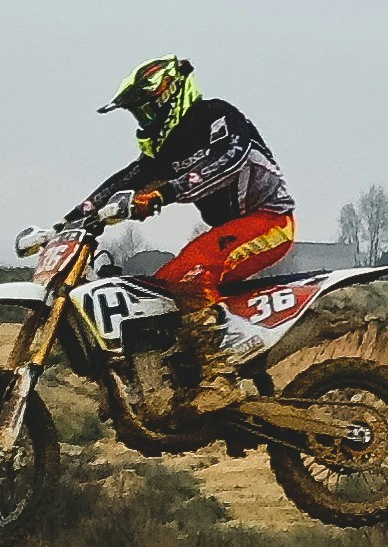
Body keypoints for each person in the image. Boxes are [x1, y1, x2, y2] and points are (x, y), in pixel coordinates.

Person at [71, 55, 293, 410]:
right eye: (137, 115)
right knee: (160, 290)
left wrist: (164, 193)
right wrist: (72, 219)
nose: (144, 120)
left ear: (171, 95)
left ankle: (219, 379)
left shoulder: (218, 116)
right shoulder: (168, 148)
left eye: (146, 110)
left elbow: (227, 161)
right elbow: (126, 179)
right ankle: (170, 386)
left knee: (191, 275)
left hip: (269, 219)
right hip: (231, 229)